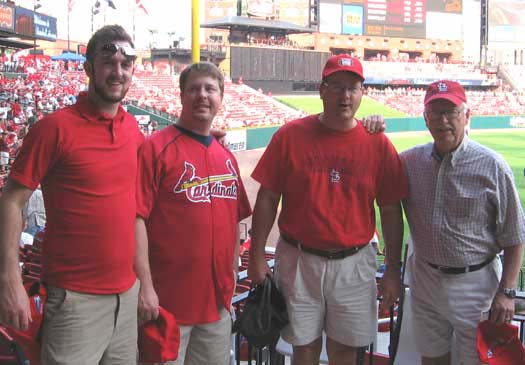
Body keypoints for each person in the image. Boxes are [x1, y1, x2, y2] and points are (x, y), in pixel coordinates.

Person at [247, 54, 408, 365]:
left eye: (352, 88)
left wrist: (392, 268)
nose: (344, 96)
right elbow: (267, 198)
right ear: (321, 90)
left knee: (345, 351)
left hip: (354, 263)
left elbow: (390, 210)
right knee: (303, 347)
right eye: (336, 87)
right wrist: (256, 257)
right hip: (298, 259)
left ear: (362, 93)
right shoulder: (290, 136)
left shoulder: (378, 144)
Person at [0, 25, 143, 364]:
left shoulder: (133, 128)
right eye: (108, 62)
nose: (118, 71)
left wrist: (199, 135)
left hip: (127, 296)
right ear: (89, 68)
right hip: (75, 302)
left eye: (126, 64)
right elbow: (12, 200)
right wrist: (9, 279)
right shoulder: (54, 129)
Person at [400, 80, 525, 365]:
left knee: (476, 361)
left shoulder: (492, 165)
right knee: (432, 359)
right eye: (435, 113)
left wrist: (507, 292)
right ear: (425, 119)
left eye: (451, 112)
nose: (443, 121)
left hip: (476, 284)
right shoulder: (409, 162)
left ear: (467, 116)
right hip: (426, 280)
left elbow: (515, 236)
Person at [135, 61, 252, 365]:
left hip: (216, 306)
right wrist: (145, 287)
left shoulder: (226, 156)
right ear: (181, 96)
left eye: (210, 89)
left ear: (220, 97)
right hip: (167, 303)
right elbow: (136, 219)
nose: (202, 95)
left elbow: (235, 220)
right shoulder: (155, 148)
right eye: (194, 89)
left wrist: (232, 275)